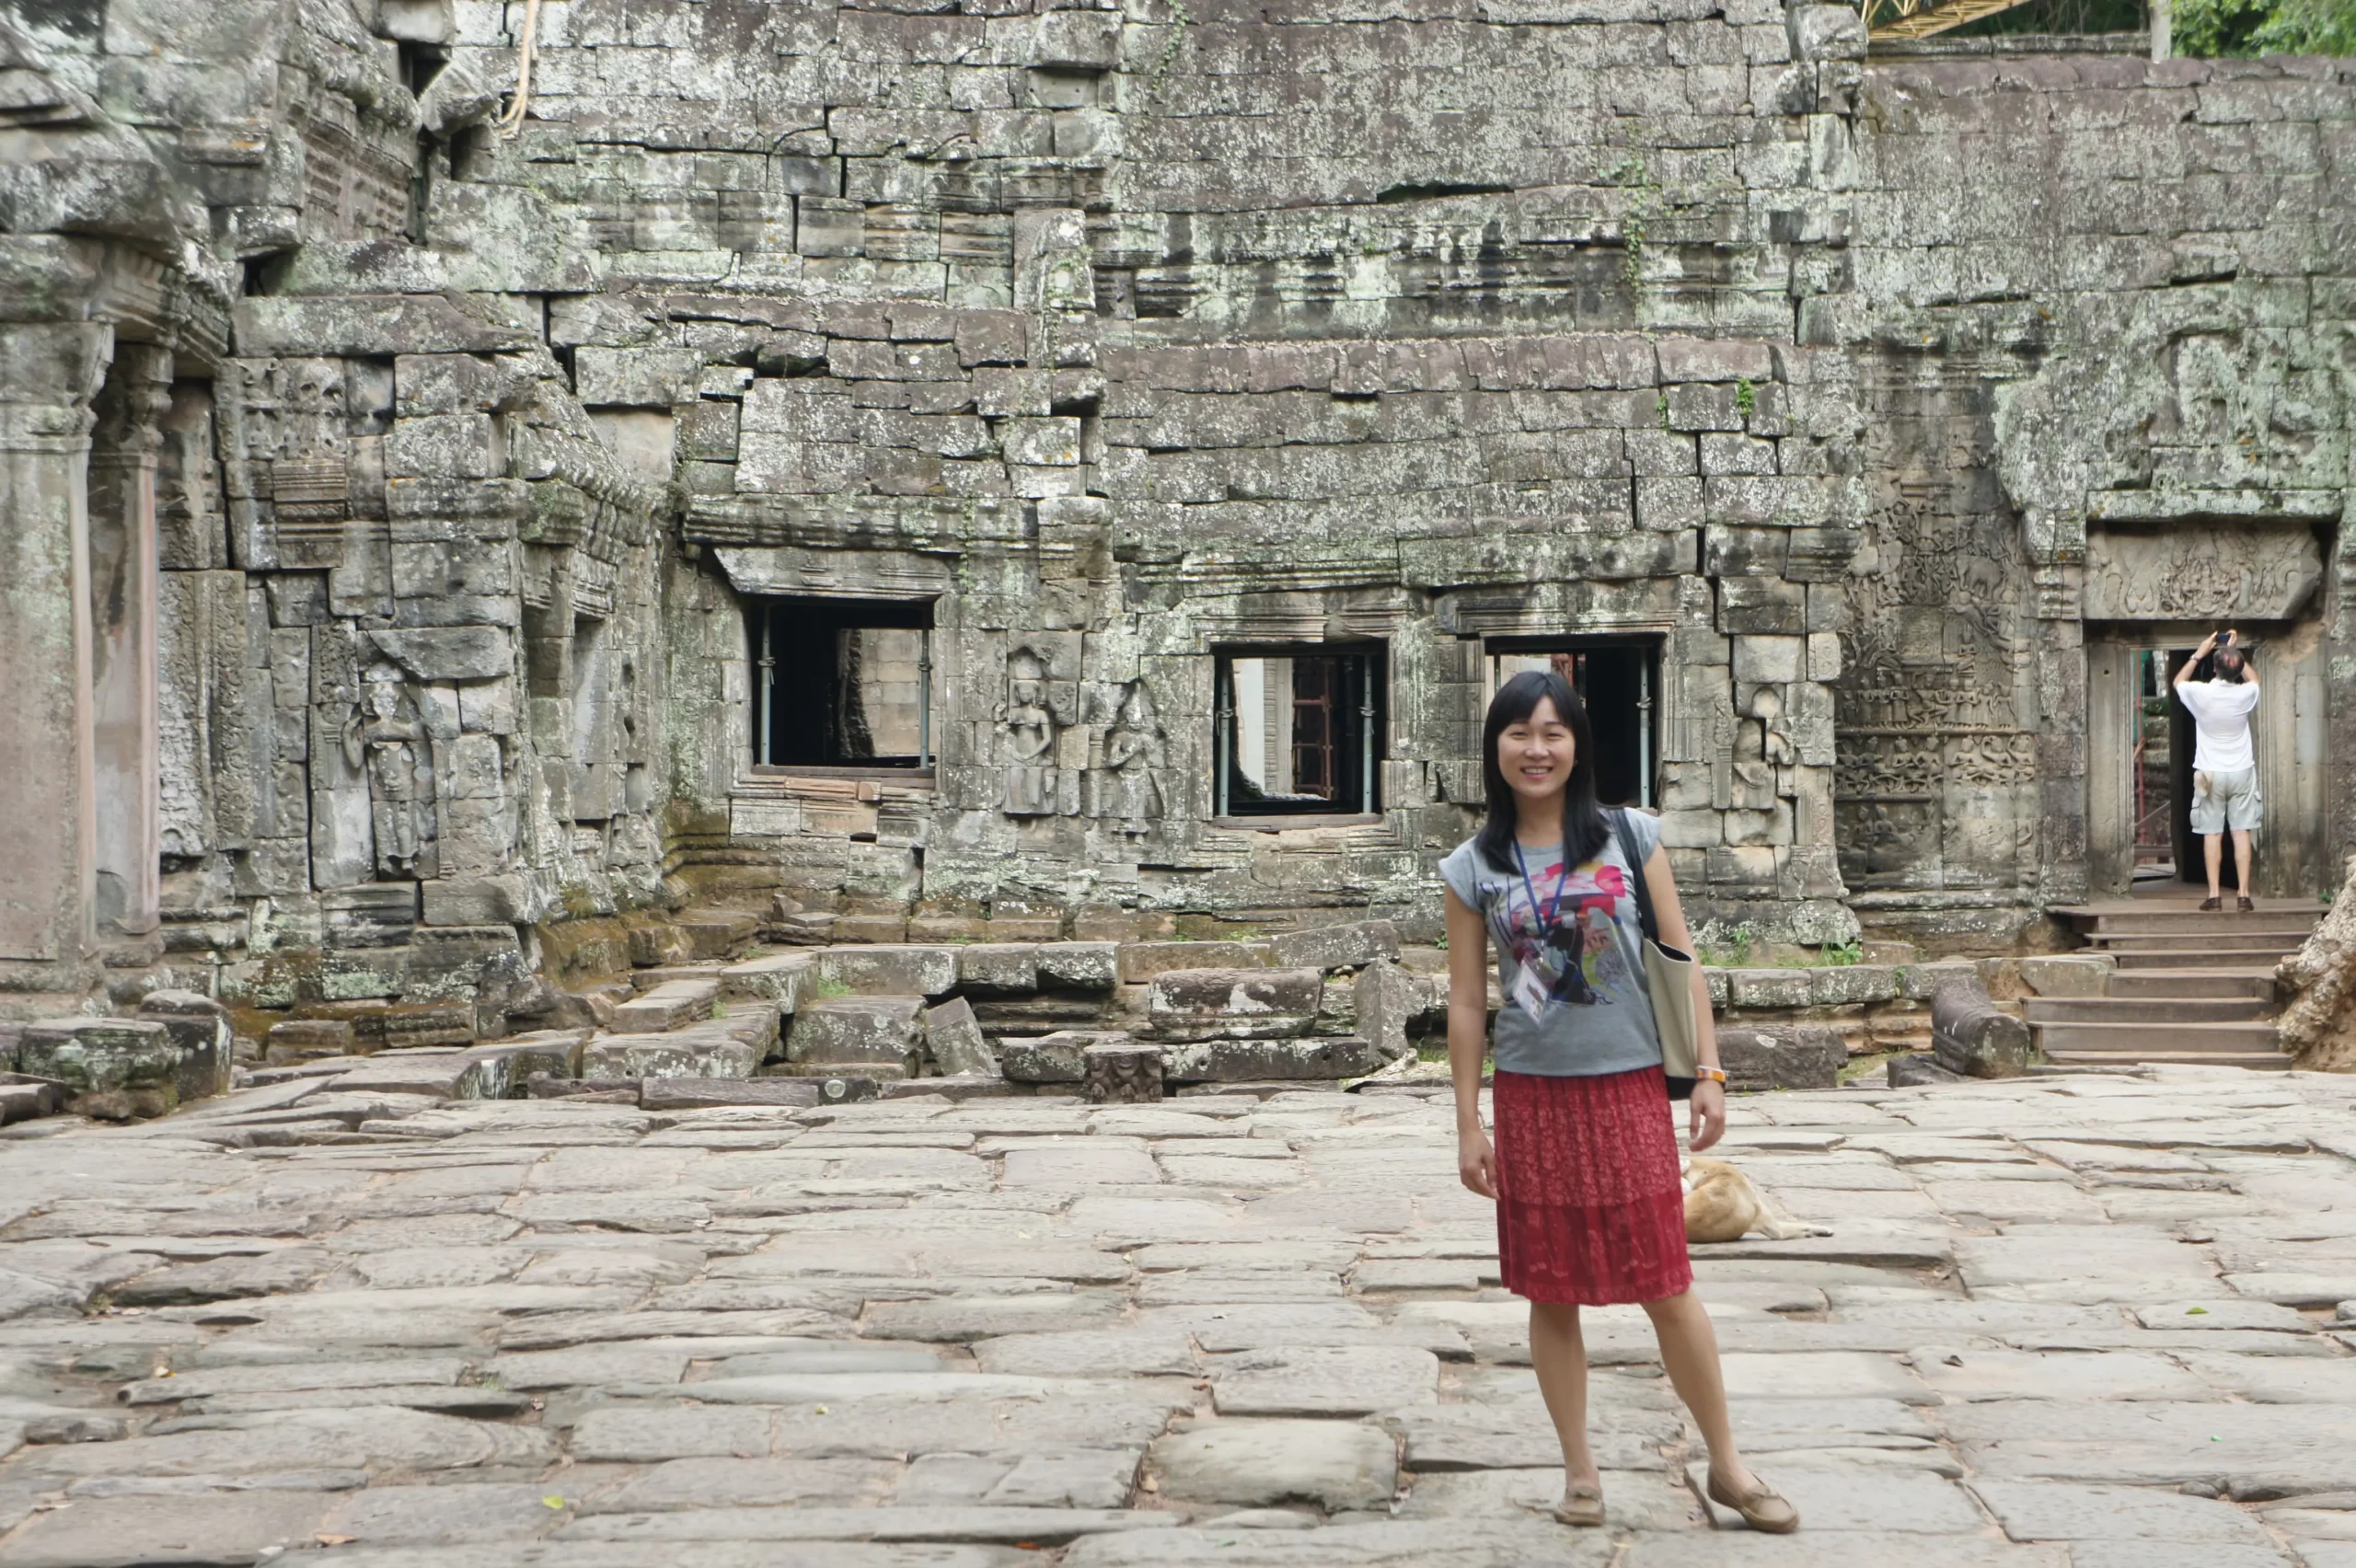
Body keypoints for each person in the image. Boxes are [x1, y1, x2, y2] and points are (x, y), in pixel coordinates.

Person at [1439, 670, 1796, 1534]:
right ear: (1496, 749)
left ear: (1578, 745)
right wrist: (1467, 1121)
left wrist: (1707, 1073)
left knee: (1666, 1282)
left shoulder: (1630, 836)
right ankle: (1580, 1472)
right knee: (1549, 1289)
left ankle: (1728, 1464)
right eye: (1520, 733)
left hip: (1630, 1089)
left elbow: (1680, 955)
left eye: (1554, 732)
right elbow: (1462, 1002)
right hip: (1532, 1098)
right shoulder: (1472, 865)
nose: (1538, 748)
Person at [2173, 629, 2261, 913]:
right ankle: (2244, 894)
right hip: (2241, 771)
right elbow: (2254, 679)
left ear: (2213, 667)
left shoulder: (2201, 693)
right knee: (2241, 832)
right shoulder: (2247, 694)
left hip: (2209, 771)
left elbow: (2178, 681)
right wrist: (2234, 652)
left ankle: (2214, 895)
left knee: (2212, 833)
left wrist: (2199, 652)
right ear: (2236, 669)